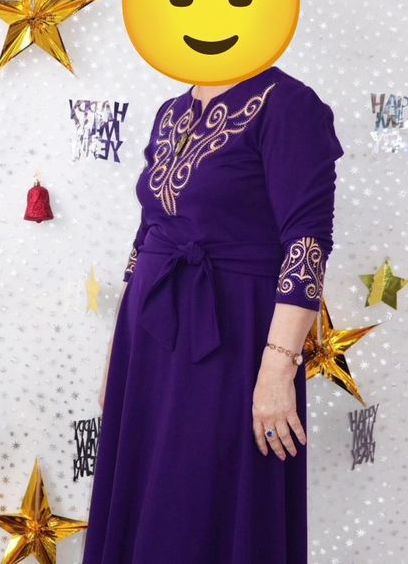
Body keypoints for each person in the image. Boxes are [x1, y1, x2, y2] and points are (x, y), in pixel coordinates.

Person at [82, 64, 344, 563]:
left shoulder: (288, 104)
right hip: (150, 334)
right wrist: (118, 353)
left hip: (233, 335)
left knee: (205, 493)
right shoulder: (172, 112)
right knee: (146, 488)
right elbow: (146, 236)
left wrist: (278, 369)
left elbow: (307, 243)